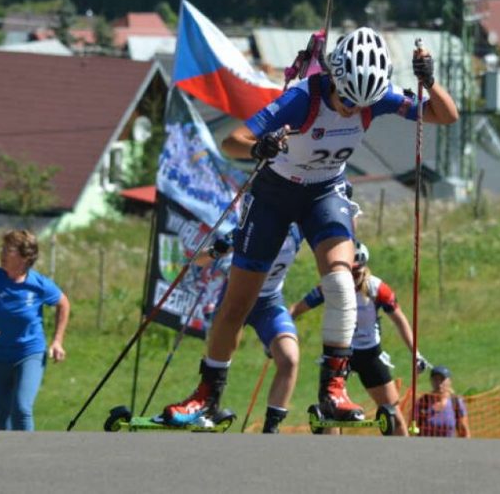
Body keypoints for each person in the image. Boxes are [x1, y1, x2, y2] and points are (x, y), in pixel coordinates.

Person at [162, 26, 458, 426]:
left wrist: (428, 81)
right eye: (349, 100)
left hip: (324, 193)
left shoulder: (374, 98)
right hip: (274, 195)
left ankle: (333, 389)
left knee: (340, 279)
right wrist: (258, 147)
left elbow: (445, 115)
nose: (354, 110)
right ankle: (207, 397)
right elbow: (234, 140)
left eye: (363, 104)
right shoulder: (304, 97)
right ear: (336, 76)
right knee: (238, 302)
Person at [291, 241, 429, 436]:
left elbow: (401, 321)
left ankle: (403, 454)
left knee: (393, 412)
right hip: (338, 354)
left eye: (357, 273)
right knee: (330, 414)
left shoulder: (376, 288)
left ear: (365, 269)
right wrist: (281, 330)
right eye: (350, 272)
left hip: (369, 353)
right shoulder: (333, 286)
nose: (353, 278)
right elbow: (299, 308)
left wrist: (415, 353)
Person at [0, 229, 71, 431]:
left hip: (29, 353)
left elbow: (63, 303)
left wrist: (57, 341)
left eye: (8, 249)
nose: (2, 253)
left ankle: (28, 458)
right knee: (2, 419)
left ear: (24, 257)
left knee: (22, 408)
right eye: (2, 248)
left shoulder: (38, 284)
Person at [204, 225, 304, 433]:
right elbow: (199, 259)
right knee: (220, 357)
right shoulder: (254, 224)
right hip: (236, 298)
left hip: (269, 302)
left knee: (289, 359)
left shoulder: (298, 229)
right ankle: (208, 407)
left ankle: (271, 427)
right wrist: (215, 251)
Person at [416, 365, 470, 438]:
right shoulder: (422, 402)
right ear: (431, 381)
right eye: (435, 379)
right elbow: (412, 429)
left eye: (442, 379)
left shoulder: (456, 402)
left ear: (450, 381)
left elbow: (464, 432)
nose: (439, 383)